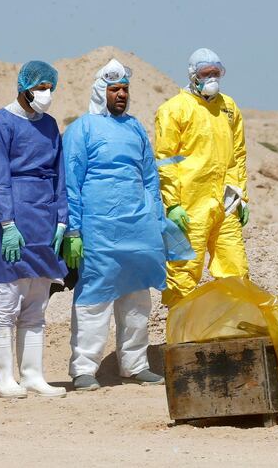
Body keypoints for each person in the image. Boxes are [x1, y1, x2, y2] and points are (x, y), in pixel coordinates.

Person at [62, 59, 166, 391]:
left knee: (137, 298)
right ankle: (84, 369)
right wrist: (74, 230)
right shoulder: (83, 129)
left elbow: (150, 177)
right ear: (100, 91)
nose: (121, 95)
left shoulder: (136, 128)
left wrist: (156, 217)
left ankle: (135, 365)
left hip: (137, 228)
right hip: (99, 229)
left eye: (125, 89)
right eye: (114, 89)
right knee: (94, 298)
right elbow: (71, 182)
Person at [0, 60, 67, 399]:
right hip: (13, 216)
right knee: (9, 297)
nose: (46, 94)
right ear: (23, 87)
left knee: (37, 301)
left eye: (50, 88)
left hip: (44, 217)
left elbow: (60, 174)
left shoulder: (49, 125)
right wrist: (6, 223)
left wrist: (62, 219)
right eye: (41, 87)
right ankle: (5, 377)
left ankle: (33, 374)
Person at [154, 48, 250, 307]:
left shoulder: (228, 107)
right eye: (206, 74)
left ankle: (232, 328)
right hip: (188, 206)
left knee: (235, 269)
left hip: (226, 203)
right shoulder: (174, 109)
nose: (212, 79)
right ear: (193, 76)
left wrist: (240, 197)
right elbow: (165, 159)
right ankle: (182, 335)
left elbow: (237, 155)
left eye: (215, 73)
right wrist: (172, 204)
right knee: (183, 274)